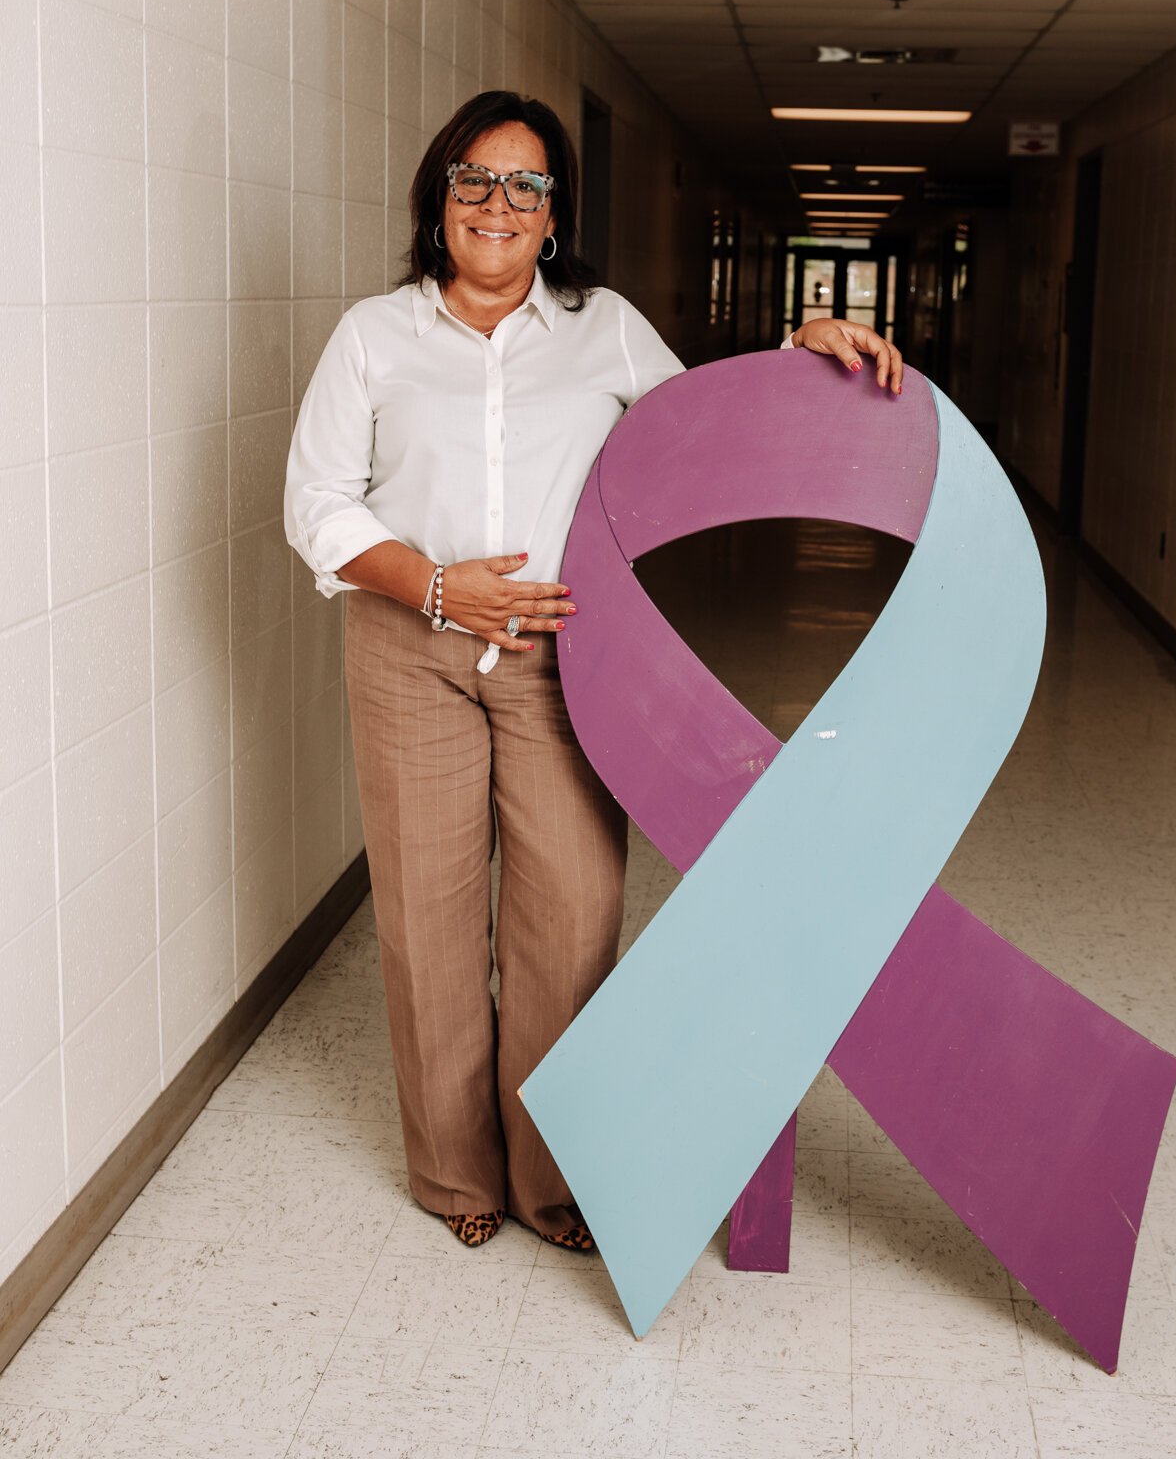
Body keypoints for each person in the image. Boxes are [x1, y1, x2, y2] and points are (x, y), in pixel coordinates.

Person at [284, 90, 904, 1251]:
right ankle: (457, 1175)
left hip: (567, 655)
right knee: (427, 917)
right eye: (475, 179)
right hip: (409, 646)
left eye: (526, 186)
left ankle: (552, 1174)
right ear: (439, 199)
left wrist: (797, 349)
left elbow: (692, 429)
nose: (498, 204)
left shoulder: (602, 325)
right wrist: (432, 584)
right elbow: (313, 499)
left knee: (570, 915)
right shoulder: (375, 334)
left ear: (554, 215)